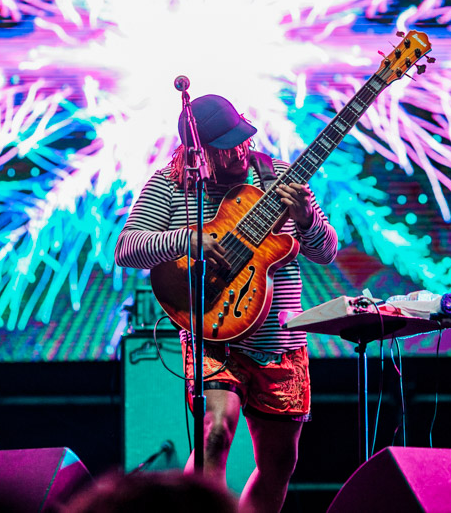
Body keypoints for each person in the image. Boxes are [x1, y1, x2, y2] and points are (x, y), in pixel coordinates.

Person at [114, 94, 338, 513]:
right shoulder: (168, 185)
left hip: (280, 339)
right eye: (225, 146)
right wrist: (186, 238)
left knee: (279, 464)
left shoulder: (279, 176)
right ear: (198, 153)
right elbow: (127, 248)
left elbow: (326, 251)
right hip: (212, 336)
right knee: (214, 434)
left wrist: (307, 219)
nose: (238, 151)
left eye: (242, 139)